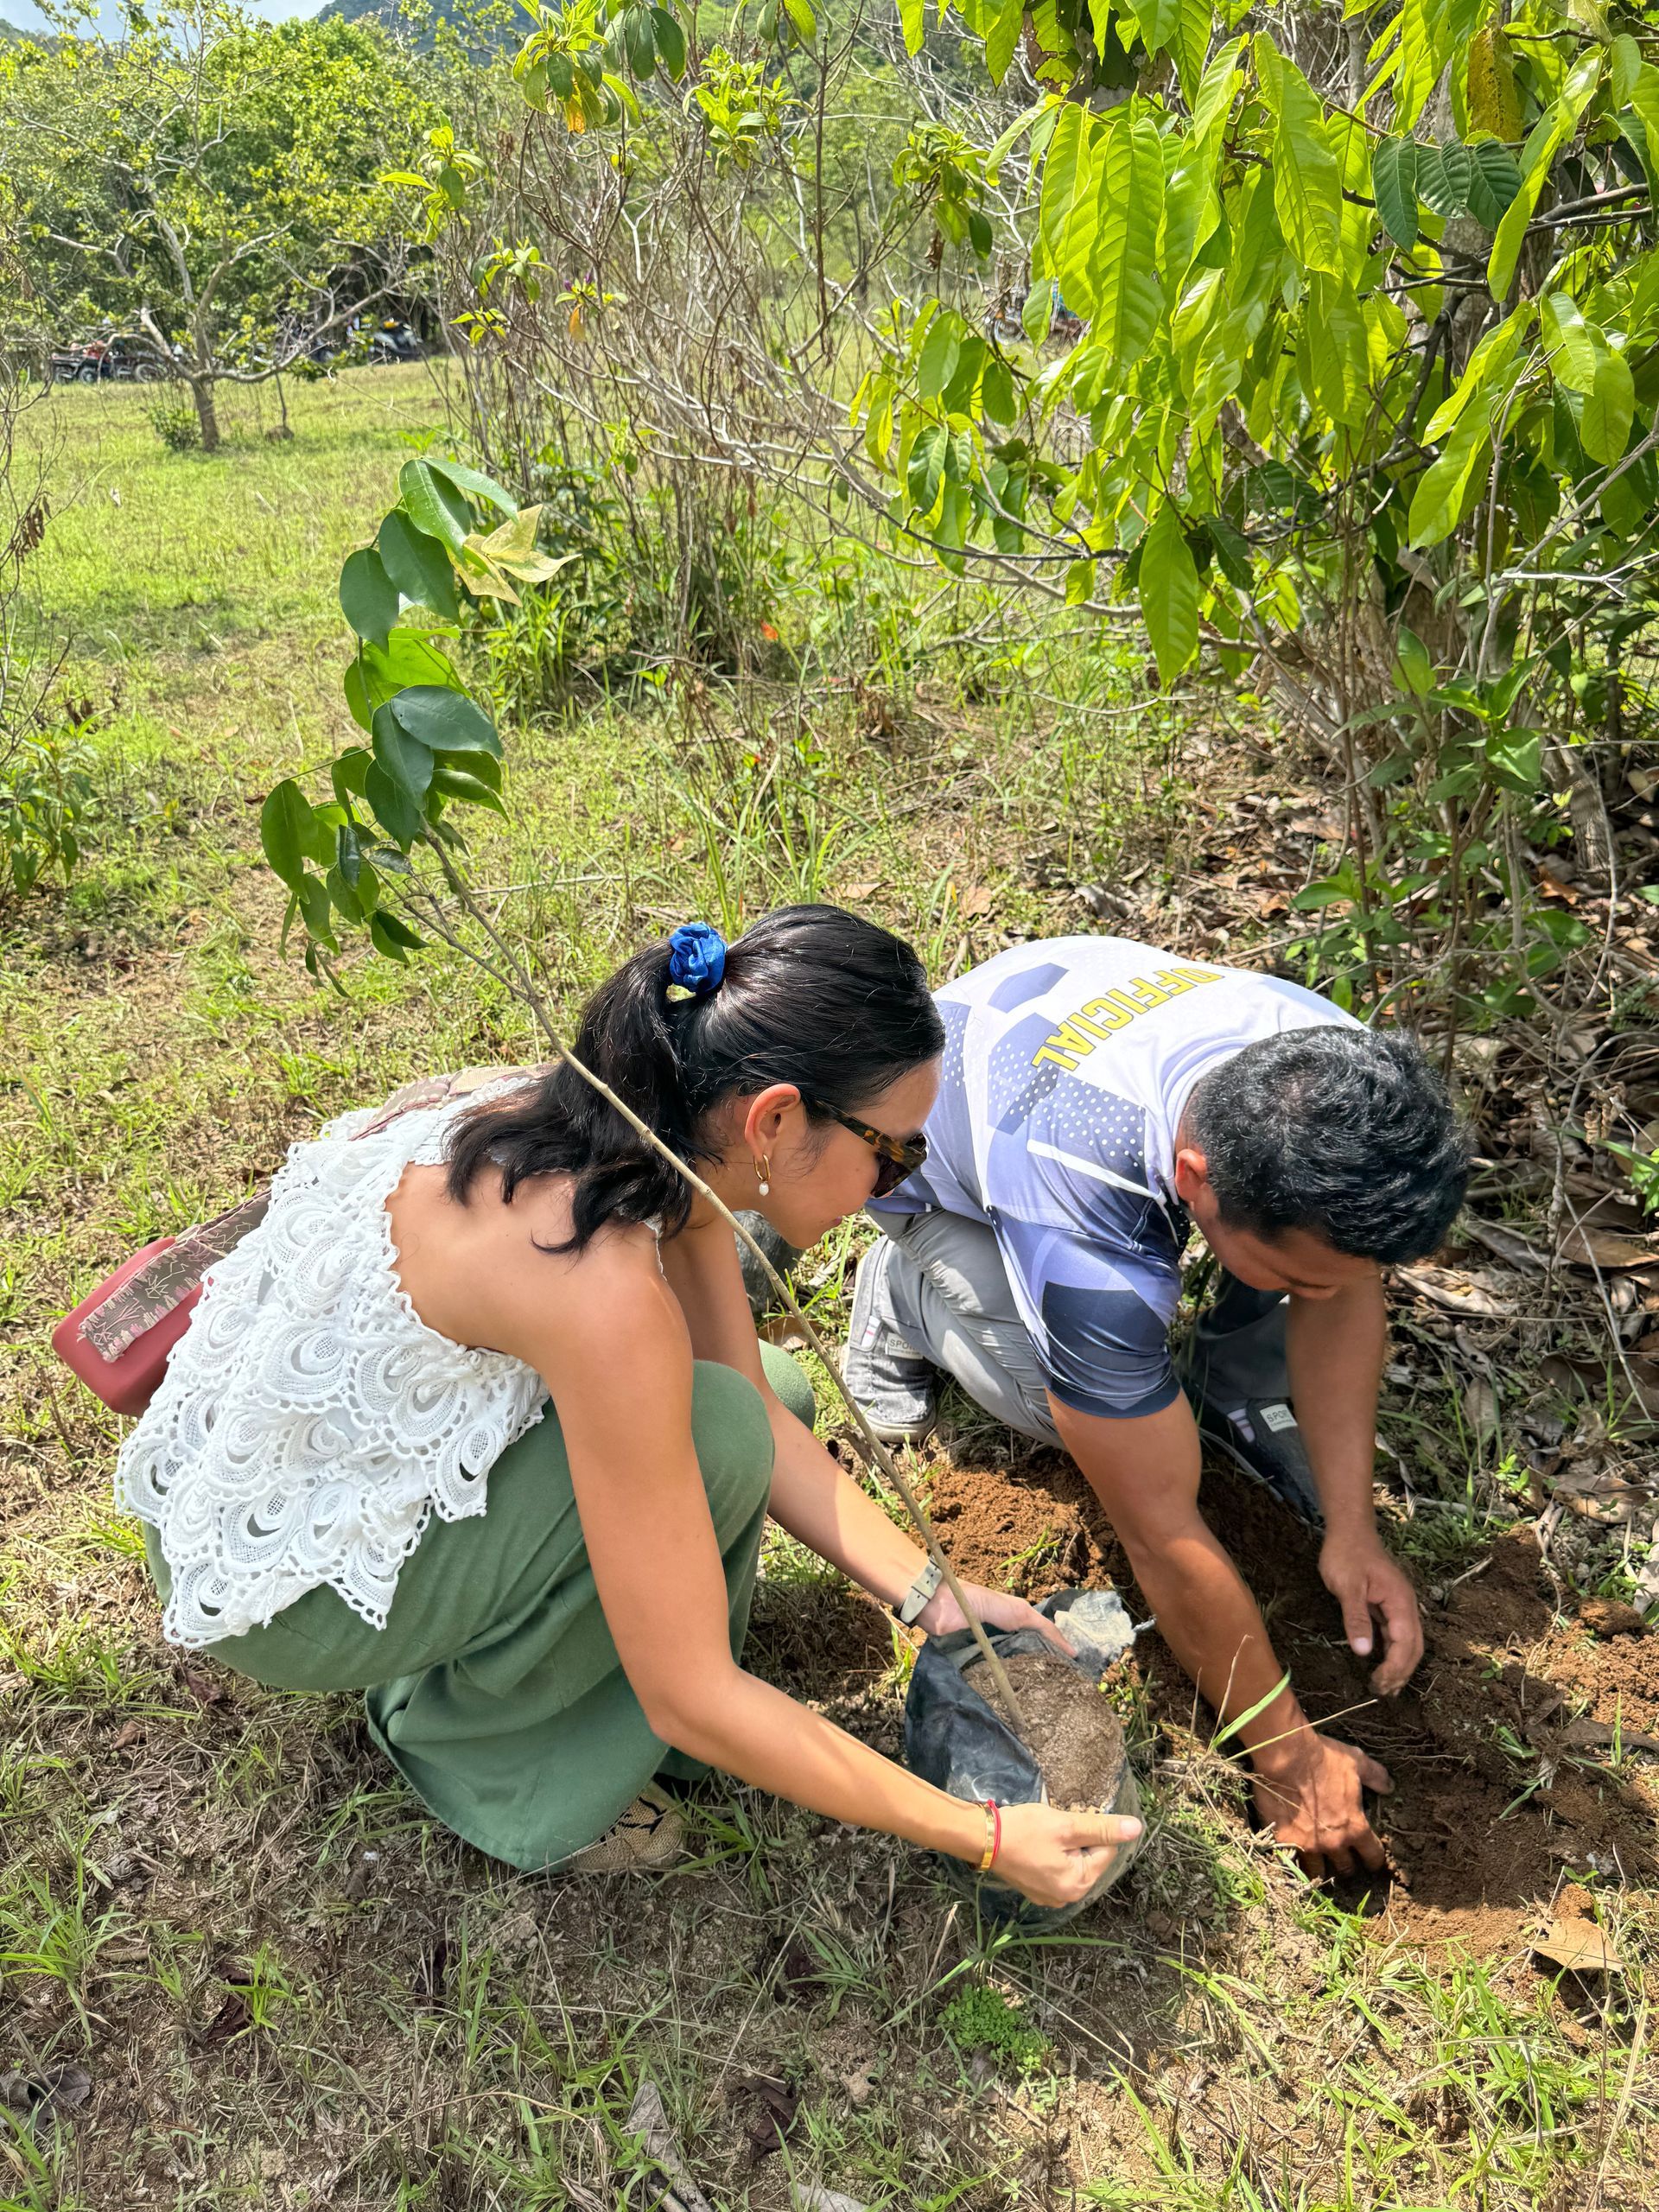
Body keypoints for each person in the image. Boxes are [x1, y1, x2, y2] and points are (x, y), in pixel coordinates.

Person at [115, 906, 1140, 1903]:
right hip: (283, 1584)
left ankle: (549, 1657)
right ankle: (487, 1753)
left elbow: (749, 1403)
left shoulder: (626, 1133)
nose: (893, 1184)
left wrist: (934, 1597)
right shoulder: (599, 1288)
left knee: (756, 1395)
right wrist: (985, 1832)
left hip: (262, 1471)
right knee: (715, 1435)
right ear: (777, 1120)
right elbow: (690, 1694)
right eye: (895, 1149)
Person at [843, 935, 1469, 1878]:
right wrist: (1286, 1751)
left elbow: (1346, 1286)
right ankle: (903, 1296)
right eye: (1302, 1275)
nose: (1331, 1288)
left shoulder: (1340, 1074)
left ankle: (1241, 1344)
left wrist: (1353, 1528)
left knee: (1303, 1271)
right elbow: (1158, 1528)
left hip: (1067, 1048)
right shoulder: (1079, 1212)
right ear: (1191, 1179)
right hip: (942, 1156)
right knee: (1061, 1413)